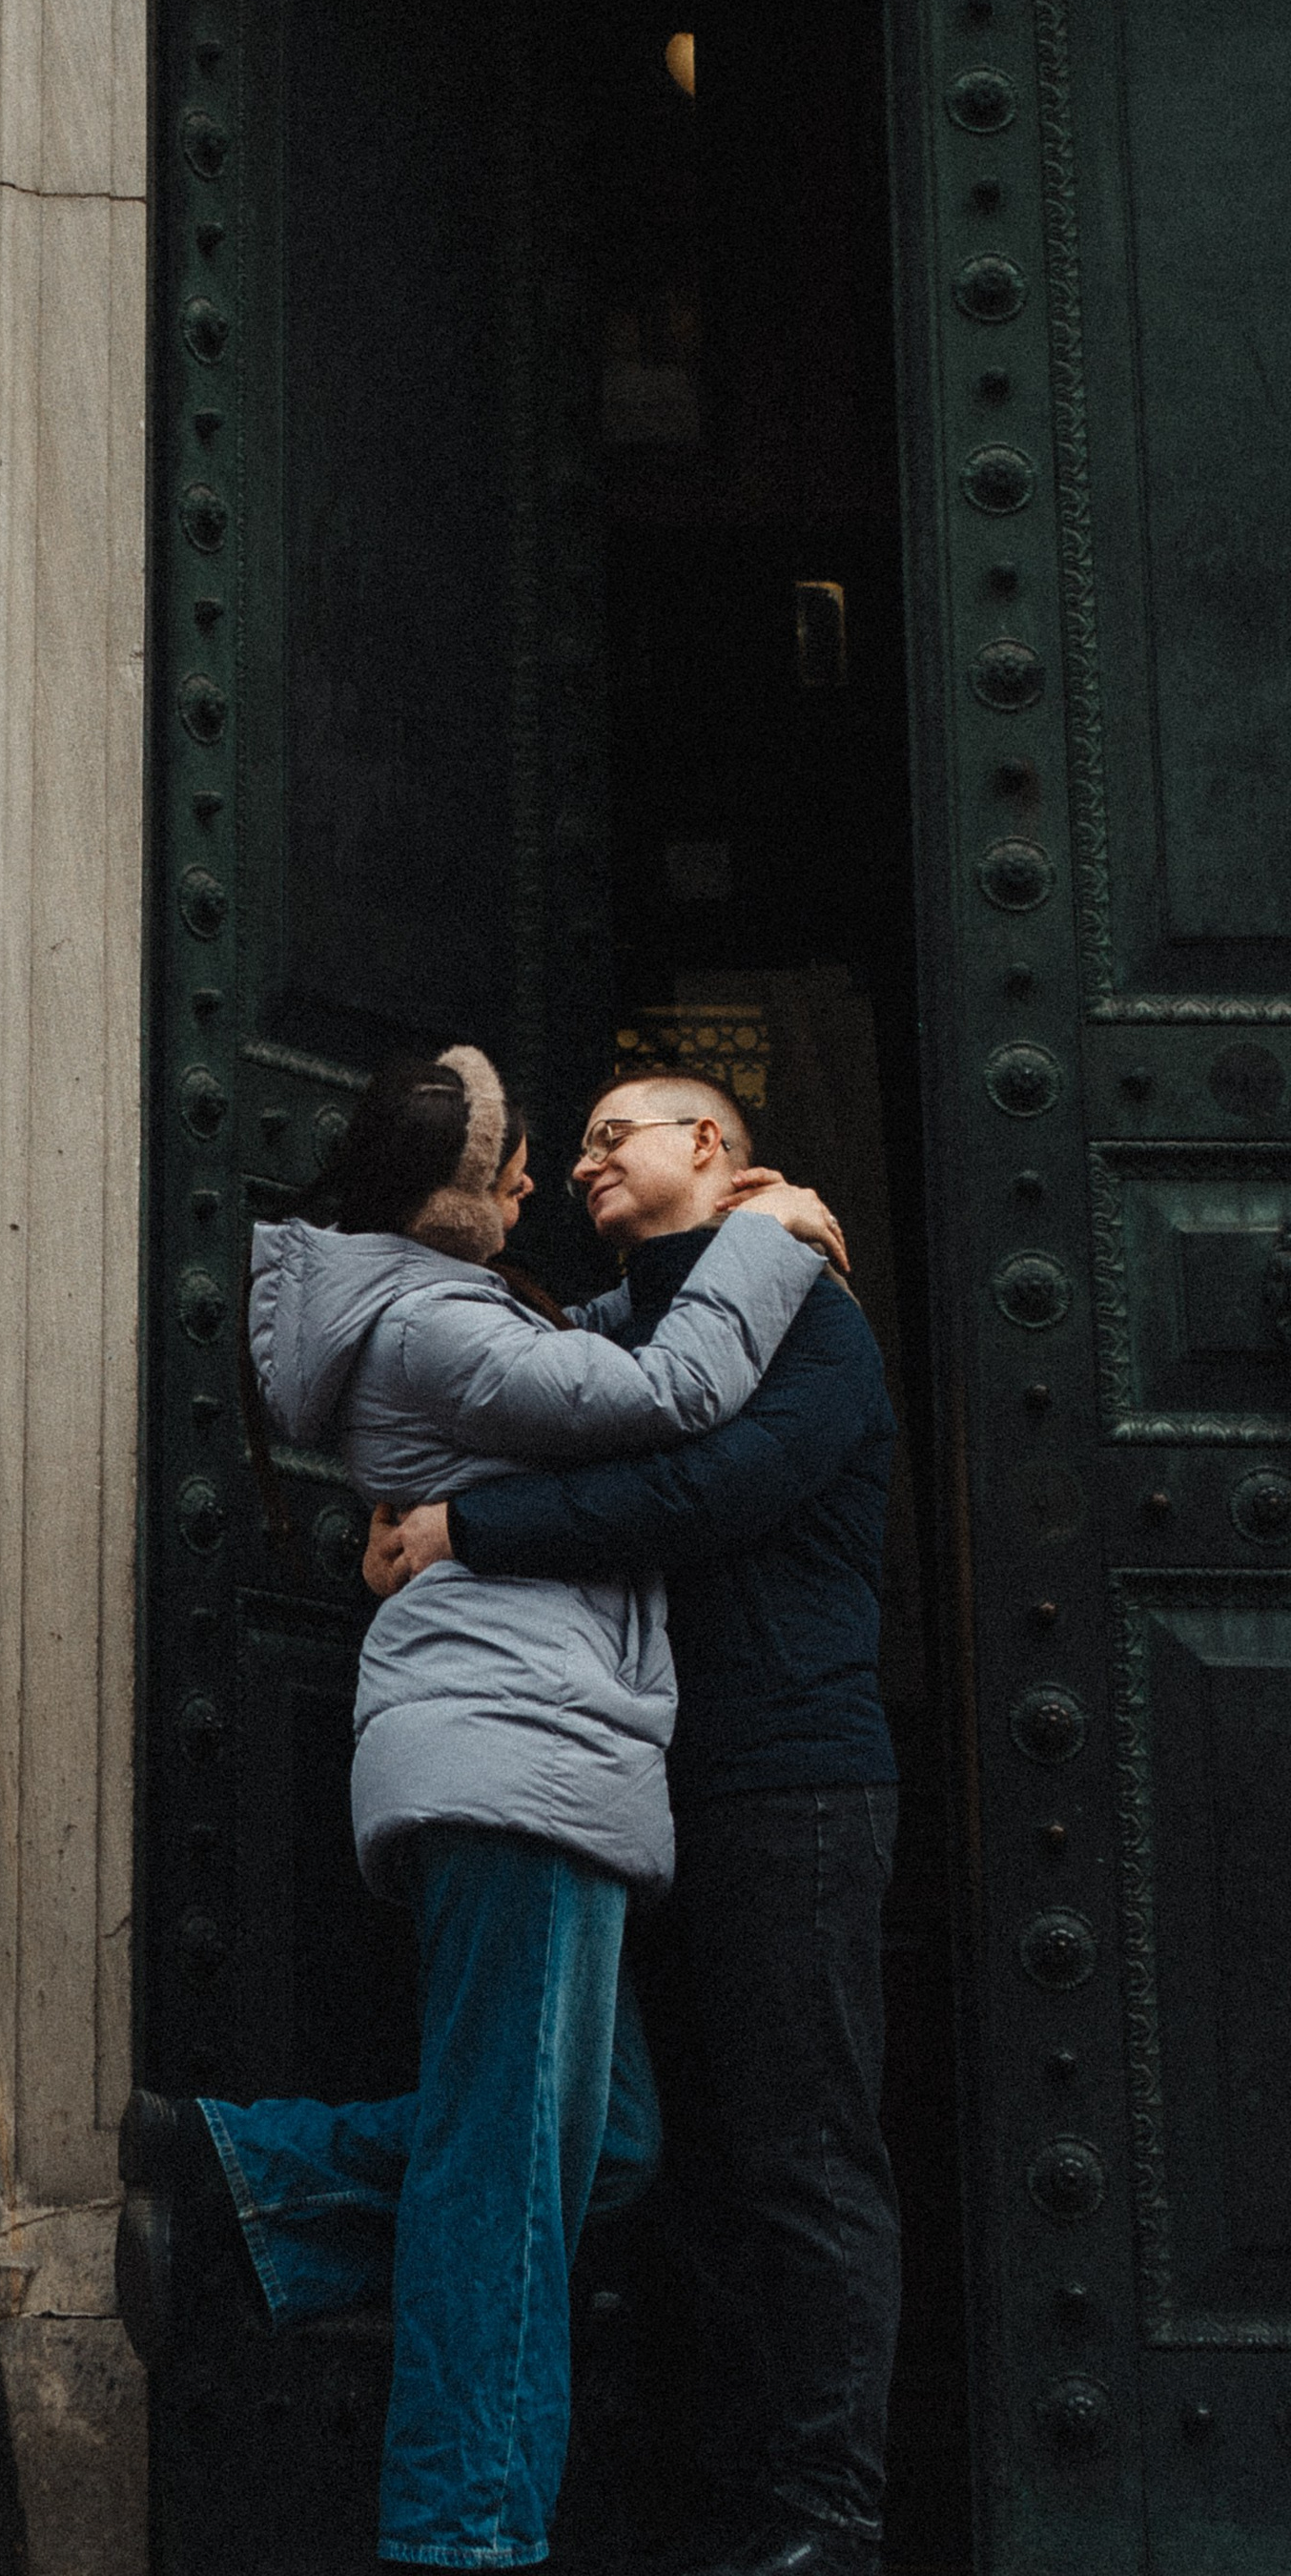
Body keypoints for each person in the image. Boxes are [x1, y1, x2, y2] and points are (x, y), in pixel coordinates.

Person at [116, 1046, 846, 2575]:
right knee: (507, 2182)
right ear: (448, 1195)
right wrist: (775, 1241)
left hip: (538, 1756)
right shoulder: (434, 1321)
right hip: (521, 1759)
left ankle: (244, 2182)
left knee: (606, 2148)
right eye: (515, 1164)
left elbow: (577, 1357)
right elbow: (667, 1390)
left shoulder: (447, 1311)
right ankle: (464, 2539)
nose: (540, 1182)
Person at [366, 1074, 901, 2576]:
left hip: (792, 1786)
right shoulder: (615, 1339)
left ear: (709, 1146)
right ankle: (711, 2500)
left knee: (802, 2158)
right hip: (639, 1788)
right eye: (582, 1141)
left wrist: (465, 1531)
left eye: (619, 1134)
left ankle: (828, 2520)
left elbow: (710, 1490)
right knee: (652, 2157)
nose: (588, 1158)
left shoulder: (810, 1315)